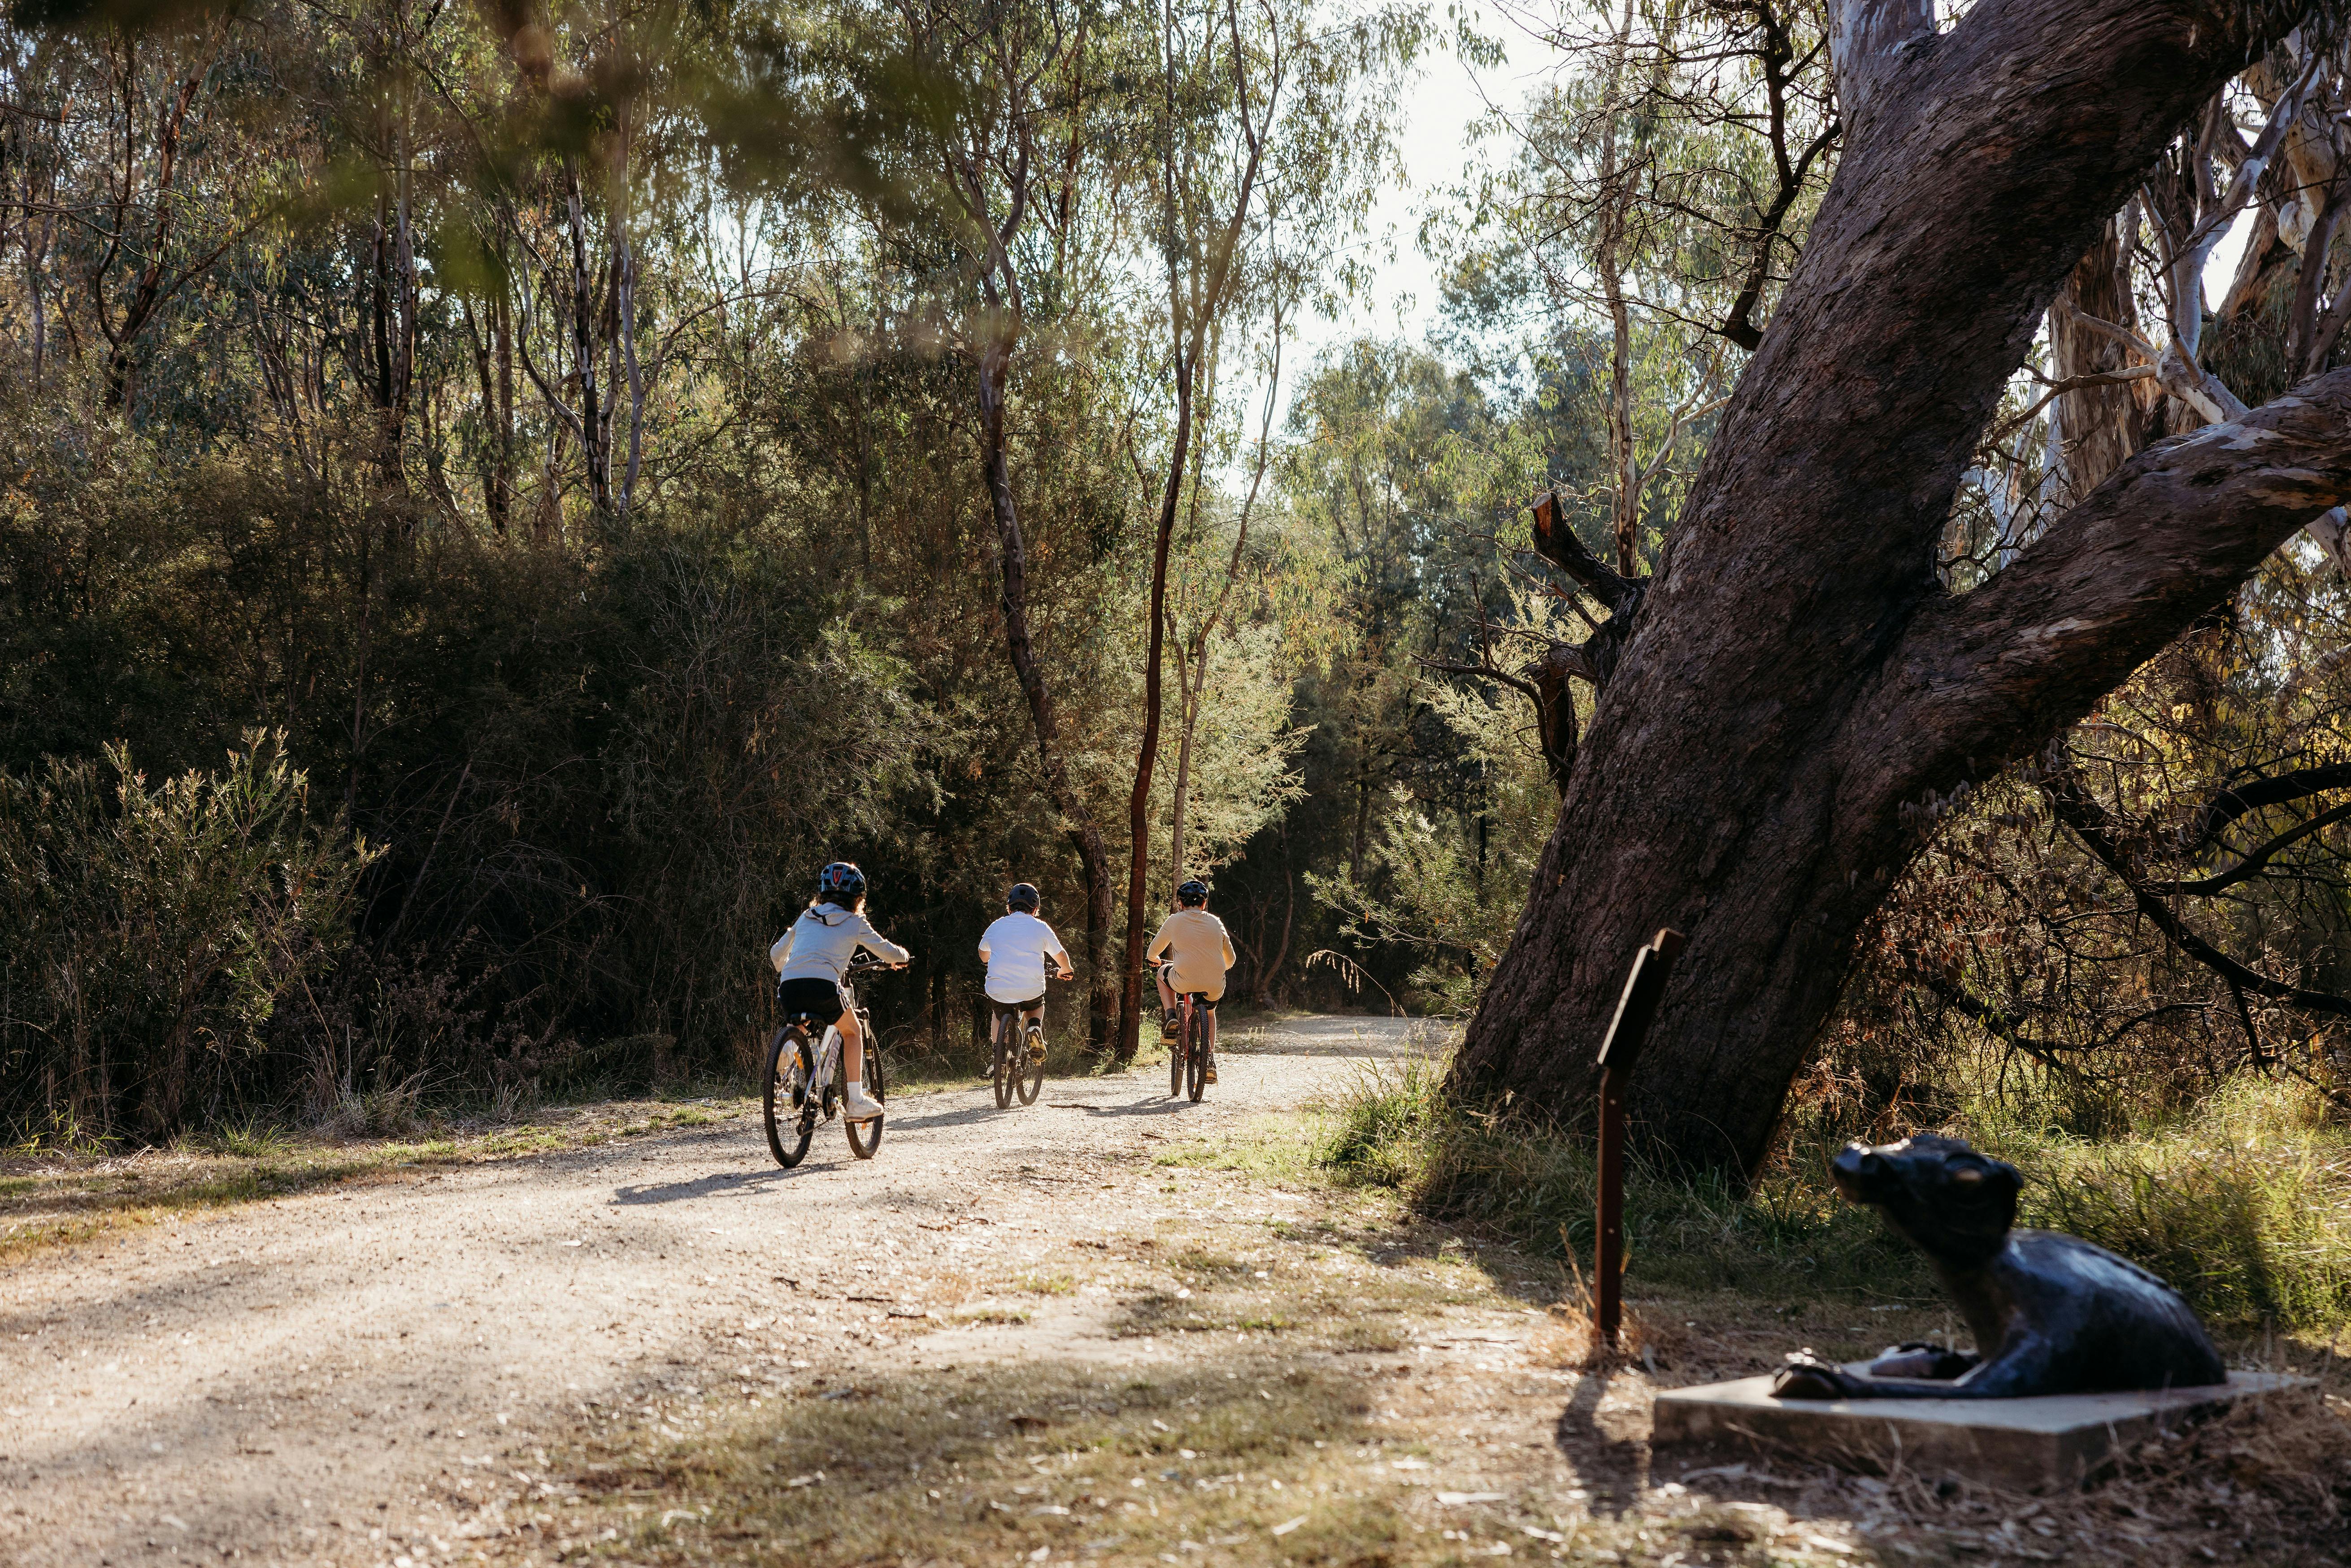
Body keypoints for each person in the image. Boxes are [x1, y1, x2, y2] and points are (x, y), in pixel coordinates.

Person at [769, 861, 908, 1119]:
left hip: (789, 986)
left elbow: (776, 955)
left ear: (822, 894)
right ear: (857, 898)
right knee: (853, 1031)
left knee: (803, 1019)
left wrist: (788, 966)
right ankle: (855, 1102)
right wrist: (902, 956)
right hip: (824, 985)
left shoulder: (805, 917)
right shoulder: (854, 922)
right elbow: (885, 950)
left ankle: (788, 1049)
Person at [1146, 878, 1234, 1085]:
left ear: (1181, 903)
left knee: (1161, 973)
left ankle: (1171, 1017)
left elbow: (1153, 952)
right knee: (1210, 1014)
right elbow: (1230, 961)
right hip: (1214, 984)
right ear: (1204, 904)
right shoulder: (1216, 922)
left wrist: (1153, 960)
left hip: (1183, 981)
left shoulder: (1174, 920)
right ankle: (1210, 1059)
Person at [977, 882, 1074, 1063]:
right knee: (1035, 1005)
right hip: (1030, 987)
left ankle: (1000, 1054)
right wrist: (1066, 970)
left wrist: (991, 959)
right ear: (1035, 909)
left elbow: (983, 954)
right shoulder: (1041, 927)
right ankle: (1034, 1027)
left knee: (999, 1014)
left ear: (1009, 908)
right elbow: (1060, 955)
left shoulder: (996, 926)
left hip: (999, 989)